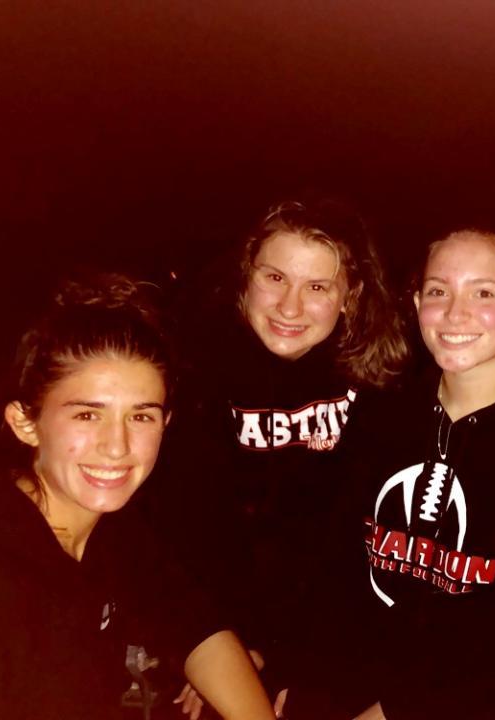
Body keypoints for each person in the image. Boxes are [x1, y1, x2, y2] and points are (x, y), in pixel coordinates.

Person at [0, 275, 276, 720]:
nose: (117, 447)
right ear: (26, 423)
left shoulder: (106, 525)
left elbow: (191, 622)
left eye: (140, 417)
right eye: (86, 415)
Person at [291, 229, 495, 720]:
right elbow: (337, 571)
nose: (455, 313)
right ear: (416, 305)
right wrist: (303, 679)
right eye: (438, 291)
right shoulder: (383, 413)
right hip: (354, 694)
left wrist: (396, 711)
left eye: (483, 293)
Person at [141, 196, 409, 697]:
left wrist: (290, 655)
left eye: (317, 287)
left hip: (332, 638)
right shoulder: (189, 370)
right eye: (275, 277)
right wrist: (225, 647)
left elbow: (356, 538)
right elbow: (185, 526)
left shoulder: (385, 386)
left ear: (350, 297)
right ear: (246, 276)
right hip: (213, 628)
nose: (290, 306)